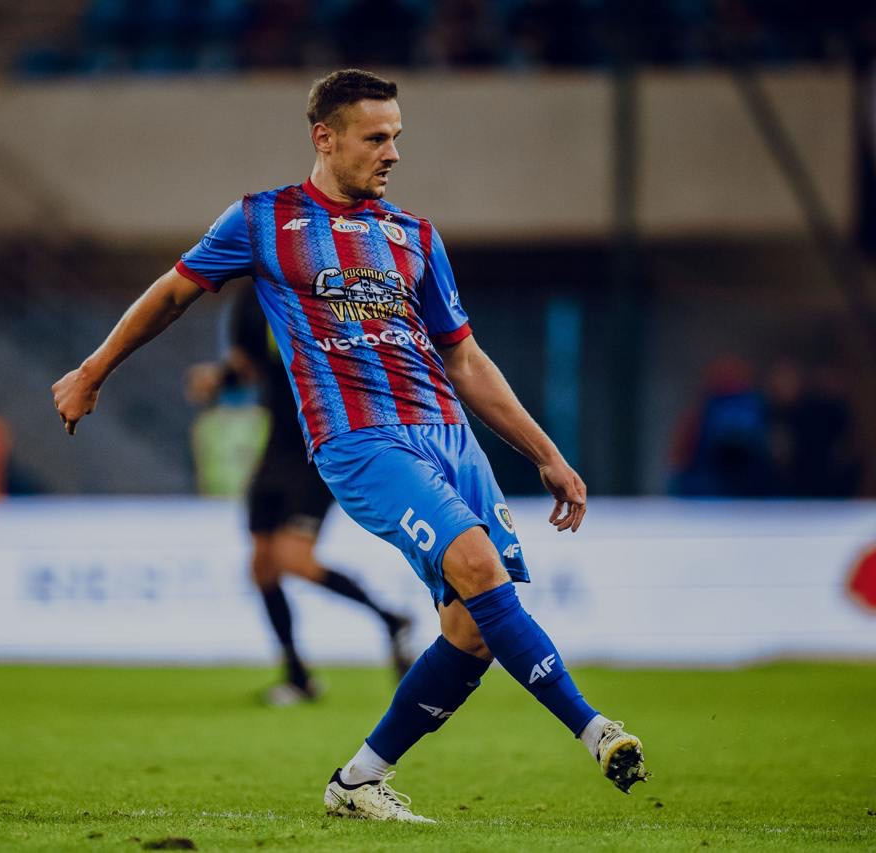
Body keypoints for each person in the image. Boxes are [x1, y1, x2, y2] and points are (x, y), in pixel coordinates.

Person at [52, 68, 648, 822]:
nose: (393, 152)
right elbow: (172, 293)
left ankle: (359, 780)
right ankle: (596, 730)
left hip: (449, 436)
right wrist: (93, 370)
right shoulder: (261, 220)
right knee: (477, 565)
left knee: (471, 629)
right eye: (376, 137)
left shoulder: (415, 235)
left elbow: (464, 358)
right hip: (360, 439)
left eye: (396, 136)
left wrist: (546, 453)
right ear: (325, 138)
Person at [188, 285, 414, 705]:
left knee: (293, 558)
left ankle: (390, 619)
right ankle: (297, 677)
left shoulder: (324, 287)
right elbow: (248, 365)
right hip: (277, 446)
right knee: (262, 566)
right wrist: (219, 378)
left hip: (320, 447)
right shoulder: (251, 298)